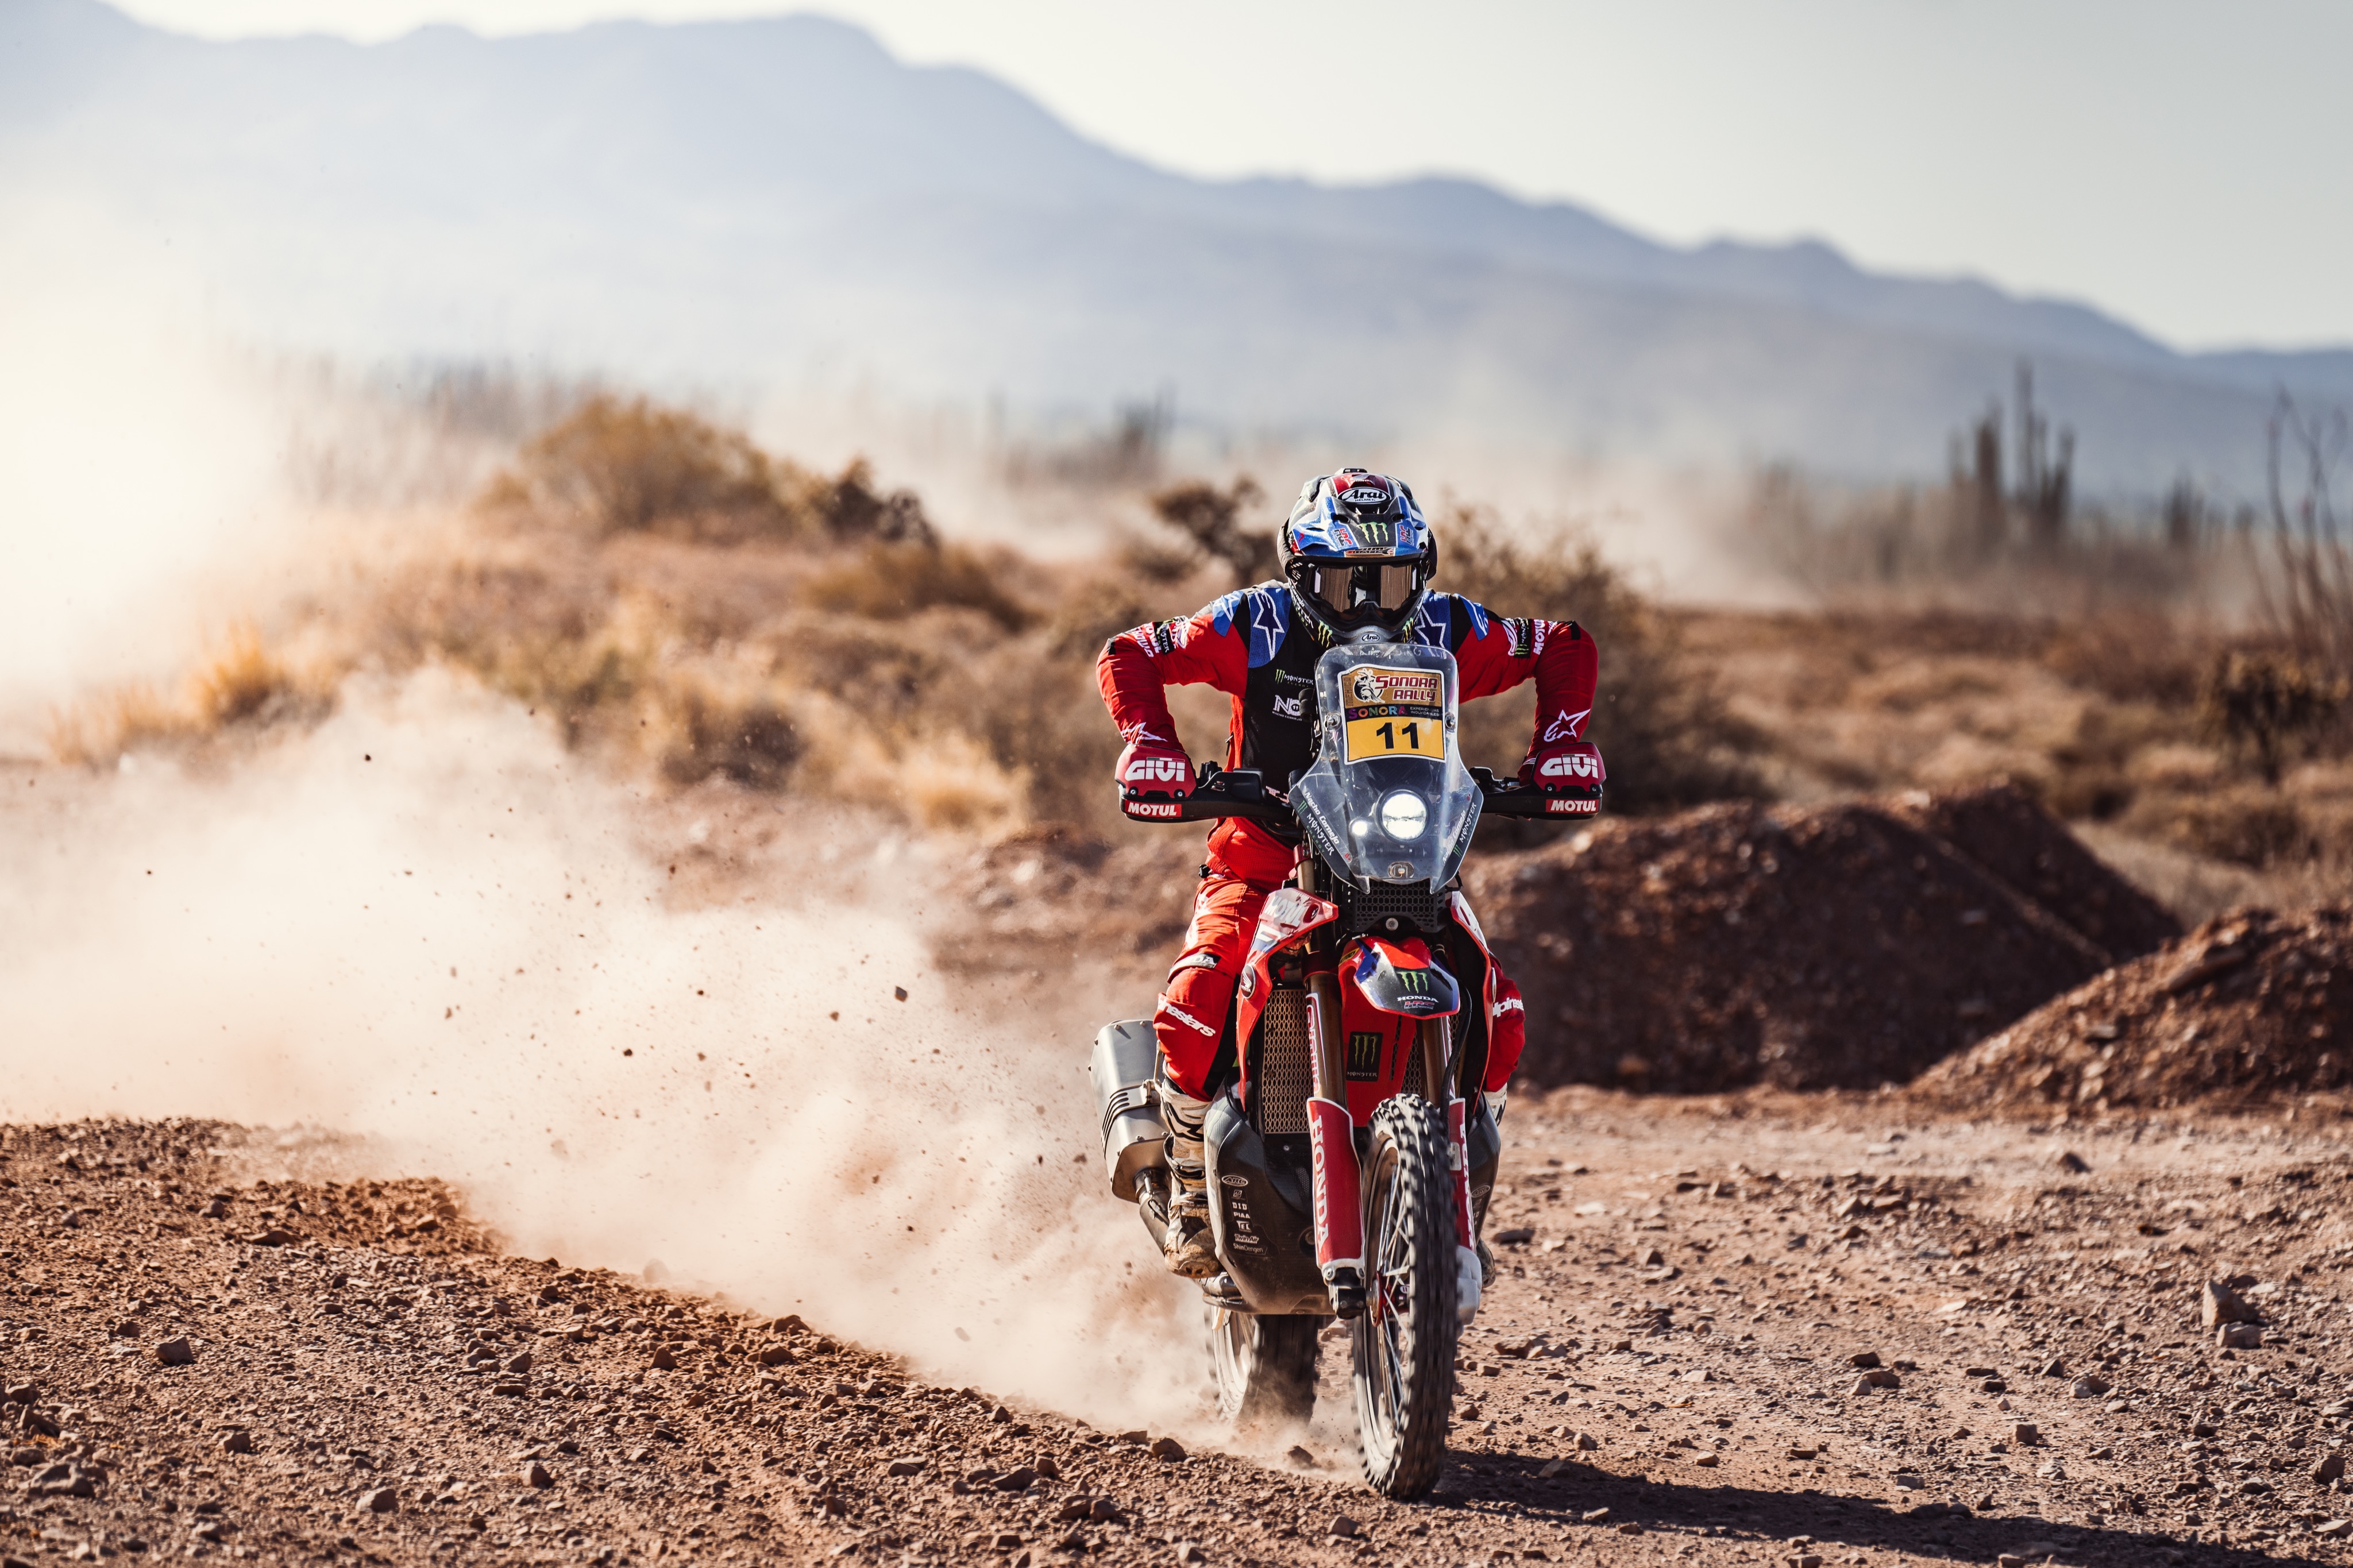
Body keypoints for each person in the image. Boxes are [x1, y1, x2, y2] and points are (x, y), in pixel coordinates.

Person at [1096, 468, 1604, 1276]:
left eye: (1392, 579)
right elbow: (1133, 653)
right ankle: (1193, 1182)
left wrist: (1561, 739)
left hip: (1405, 864)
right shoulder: (1256, 622)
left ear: (1422, 573)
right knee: (1196, 1001)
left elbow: (1562, 645)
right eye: (1341, 581)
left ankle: (1459, 1183)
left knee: (1500, 1006)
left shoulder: (1445, 625)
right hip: (1266, 862)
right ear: (1300, 573)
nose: (1369, 605)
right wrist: (1150, 742)